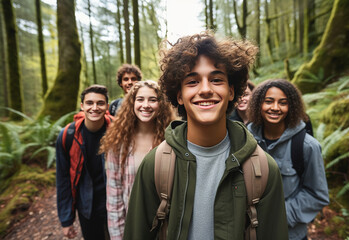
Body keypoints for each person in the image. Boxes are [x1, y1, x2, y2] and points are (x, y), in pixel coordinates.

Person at [123, 32, 288, 239]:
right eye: (192, 82)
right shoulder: (155, 166)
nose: (205, 89)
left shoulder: (262, 170)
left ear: (231, 91)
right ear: (179, 96)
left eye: (216, 79)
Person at [247, 79, 329, 240]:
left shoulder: (307, 146)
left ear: (291, 107)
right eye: (268, 101)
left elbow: (318, 194)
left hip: (289, 234)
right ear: (258, 105)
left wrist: (281, 215)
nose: (275, 108)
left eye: (283, 103)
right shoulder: (246, 140)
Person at [100, 80, 174, 240]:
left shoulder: (171, 140)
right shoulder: (118, 143)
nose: (145, 105)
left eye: (152, 100)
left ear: (160, 104)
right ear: (132, 103)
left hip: (167, 227)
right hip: (133, 225)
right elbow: (114, 197)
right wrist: (118, 236)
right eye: (140, 99)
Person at [56, 85, 112, 239]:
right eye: (89, 103)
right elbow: (63, 180)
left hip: (116, 205)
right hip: (87, 208)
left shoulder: (118, 130)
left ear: (107, 106)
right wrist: (66, 220)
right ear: (82, 106)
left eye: (100, 103)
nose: (95, 108)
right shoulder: (67, 135)